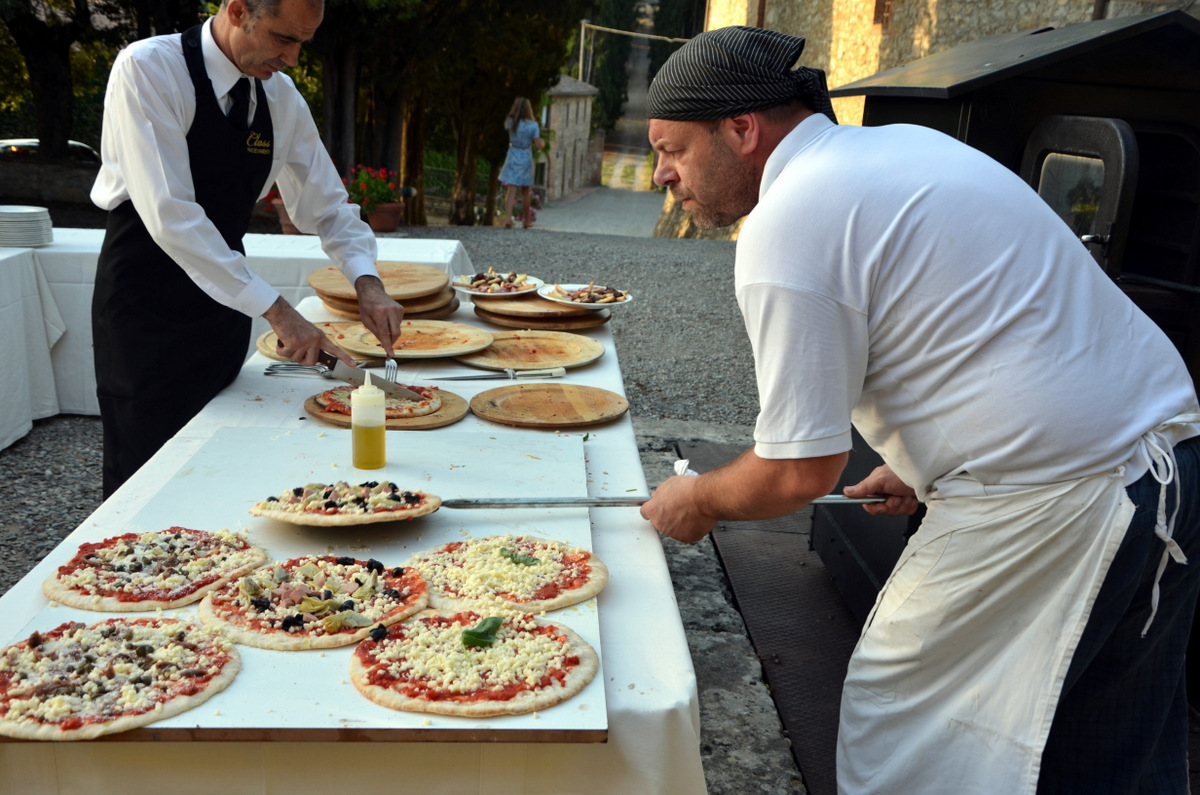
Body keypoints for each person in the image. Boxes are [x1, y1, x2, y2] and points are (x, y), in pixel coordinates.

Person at [640, 25, 1200, 795]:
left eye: (672, 149)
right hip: (1168, 453)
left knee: (901, 723)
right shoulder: (891, 149)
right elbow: (982, 320)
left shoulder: (787, 220)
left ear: (741, 130)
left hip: (1061, 493)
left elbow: (799, 469)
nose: (661, 175)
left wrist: (697, 498)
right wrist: (921, 462)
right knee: (1108, 748)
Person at [90, 0, 404, 497]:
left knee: (220, 457)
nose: (294, 59)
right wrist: (280, 312)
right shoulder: (148, 68)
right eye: (284, 39)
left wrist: (369, 283)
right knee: (144, 472)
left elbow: (328, 205)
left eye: (303, 43)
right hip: (144, 306)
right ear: (238, 11)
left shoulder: (280, 98)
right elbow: (172, 216)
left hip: (225, 310)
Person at [497, 97, 544, 229]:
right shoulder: (533, 125)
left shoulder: (510, 122)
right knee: (525, 190)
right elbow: (538, 145)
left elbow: (505, 127)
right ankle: (526, 220)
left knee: (511, 189)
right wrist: (542, 143)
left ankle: (507, 219)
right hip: (525, 155)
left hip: (512, 153)